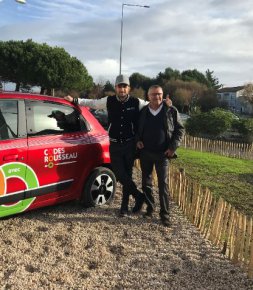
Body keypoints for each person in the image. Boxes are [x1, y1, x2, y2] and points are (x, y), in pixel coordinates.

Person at [64, 74, 149, 217]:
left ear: (129, 88)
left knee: (127, 175)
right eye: (119, 86)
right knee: (119, 174)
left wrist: (164, 103)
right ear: (115, 88)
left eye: (124, 86)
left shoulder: (136, 102)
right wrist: (75, 100)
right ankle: (139, 196)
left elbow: (151, 104)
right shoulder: (108, 100)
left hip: (129, 144)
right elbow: (92, 103)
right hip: (114, 144)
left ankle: (124, 207)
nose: (122, 89)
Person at [136, 85, 185, 227]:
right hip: (146, 153)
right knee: (146, 183)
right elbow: (137, 129)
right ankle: (150, 208)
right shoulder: (143, 111)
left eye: (159, 94)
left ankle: (165, 214)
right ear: (148, 96)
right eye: (153, 94)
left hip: (163, 154)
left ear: (163, 95)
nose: (156, 97)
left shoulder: (170, 110)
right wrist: (138, 140)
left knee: (163, 184)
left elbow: (180, 130)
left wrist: (172, 148)